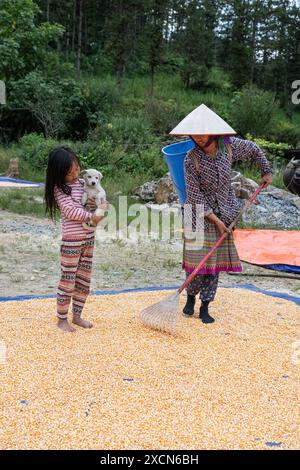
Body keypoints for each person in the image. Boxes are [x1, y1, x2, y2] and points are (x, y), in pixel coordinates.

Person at [169, 104, 273, 324]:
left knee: (213, 263)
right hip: (197, 214)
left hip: (226, 210)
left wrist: (266, 171)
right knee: (197, 261)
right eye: (194, 134)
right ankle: (190, 298)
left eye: (202, 133)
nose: (197, 138)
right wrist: (214, 221)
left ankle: (205, 305)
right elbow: (194, 196)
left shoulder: (228, 146)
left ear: (213, 132)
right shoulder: (191, 159)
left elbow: (253, 149)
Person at [44, 147, 108, 332]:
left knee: (83, 279)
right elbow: (70, 210)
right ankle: (62, 319)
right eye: (69, 173)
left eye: (77, 170)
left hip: (88, 238)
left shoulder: (84, 183)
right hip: (72, 241)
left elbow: (97, 196)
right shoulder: (59, 189)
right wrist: (92, 217)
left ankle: (77, 316)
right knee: (68, 279)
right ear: (58, 174)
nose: (75, 175)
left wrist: (102, 206)